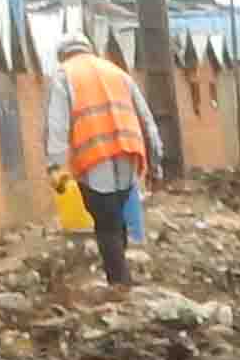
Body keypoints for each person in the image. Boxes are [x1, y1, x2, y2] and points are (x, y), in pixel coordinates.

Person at [38, 33, 161, 290]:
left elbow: (56, 127)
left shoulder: (64, 76)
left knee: (105, 224)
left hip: (94, 158)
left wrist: (55, 167)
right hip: (129, 153)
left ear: (62, 55)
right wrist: (156, 161)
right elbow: (146, 119)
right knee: (116, 216)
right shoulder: (117, 72)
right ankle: (122, 278)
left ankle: (119, 284)